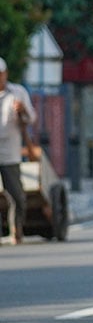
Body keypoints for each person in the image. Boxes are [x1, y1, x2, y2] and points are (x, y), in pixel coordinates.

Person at [0, 57, 36, 245]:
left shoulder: (17, 93)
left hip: (9, 153)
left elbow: (31, 118)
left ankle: (16, 229)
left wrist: (22, 111)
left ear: (5, 74)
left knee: (16, 195)